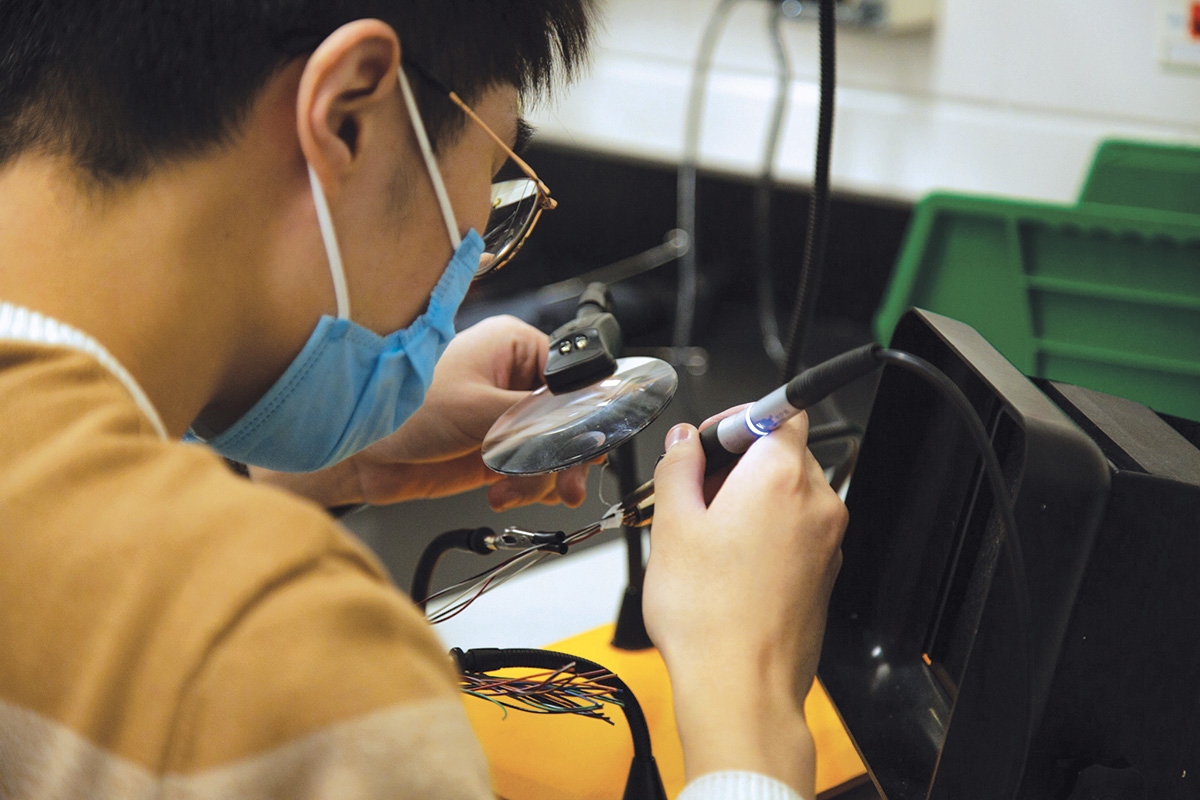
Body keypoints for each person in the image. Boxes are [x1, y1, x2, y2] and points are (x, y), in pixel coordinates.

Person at [0, 1, 848, 799]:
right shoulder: (271, 650)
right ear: (347, 117)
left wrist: (314, 464)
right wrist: (747, 698)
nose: (468, 263)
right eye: (490, 188)